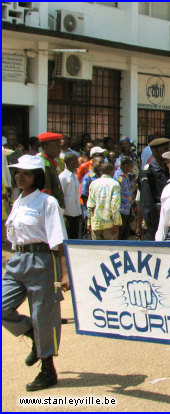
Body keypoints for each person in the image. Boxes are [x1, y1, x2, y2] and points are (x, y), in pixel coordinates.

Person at [3, 155, 69, 391]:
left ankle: (47, 369)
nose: (21, 176)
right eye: (18, 172)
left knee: (44, 315)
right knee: (3, 307)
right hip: (18, 259)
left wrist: (64, 273)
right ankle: (32, 334)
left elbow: (58, 239)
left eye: (27, 173)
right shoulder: (17, 201)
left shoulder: (46, 202)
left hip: (41, 260)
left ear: (37, 176)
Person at [139, 138, 170, 241]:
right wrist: (152, 223)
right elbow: (146, 200)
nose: (168, 152)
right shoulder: (148, 171)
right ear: (155, 151)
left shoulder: (168, 168)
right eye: (165, 149)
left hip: (169, 215)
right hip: (156, 217)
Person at [86, 163, 121, 241]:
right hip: (110, 223)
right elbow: (115, 204)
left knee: (97, 249)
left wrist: (89, 222)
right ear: (112, 171)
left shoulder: (94, 183)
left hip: (96, 222)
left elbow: (90, 204)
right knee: (110, 249)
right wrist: (116, 223)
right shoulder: (115, 184)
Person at [36, 132, 65, 209]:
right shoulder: (44, 164)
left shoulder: (49, 161)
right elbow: (46, 191)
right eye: (58, 146)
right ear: (46, 147)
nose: (60, 149)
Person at [58, 153, 82, 239]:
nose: (78, 163)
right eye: (77, 161)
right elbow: (60, 196)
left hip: (75, 213)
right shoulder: (63, 177)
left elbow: (76, 196)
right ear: (72, 162)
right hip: (67, 214)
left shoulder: (74, 176)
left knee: (75, 237)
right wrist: (63, 215)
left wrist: (79, 212)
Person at [113, 157, 134, 240]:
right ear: (126, 166)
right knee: (120, 234)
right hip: (121, 209)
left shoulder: (126, 175)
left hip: (127, 209)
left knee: (125, 233)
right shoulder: (117, 176)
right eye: (131, 166)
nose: (132, 168)